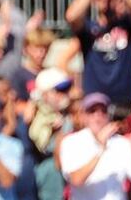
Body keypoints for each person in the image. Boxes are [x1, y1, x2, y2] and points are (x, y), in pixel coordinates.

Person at [58, 92, 131, 200]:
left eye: (103, 110)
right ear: (83, 116)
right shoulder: (71, 142)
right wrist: (100, 148)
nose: (98, 115)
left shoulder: (121, 143)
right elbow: (76, 180)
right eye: (92, 111)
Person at [26, 68, 74, 200]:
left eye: (67, 89)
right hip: (52, 175)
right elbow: (43, 145)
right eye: (59, 91)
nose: (65, 94)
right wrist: (55, 131)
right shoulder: (40, 117)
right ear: (45, 95)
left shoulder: (69, 114)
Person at [10, 29, 57, 104]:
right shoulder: (19, 75)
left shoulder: (52, 73)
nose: (42, 54)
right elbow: (15, 105)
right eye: (37, 49)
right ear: (26, 49)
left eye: (45, 49)